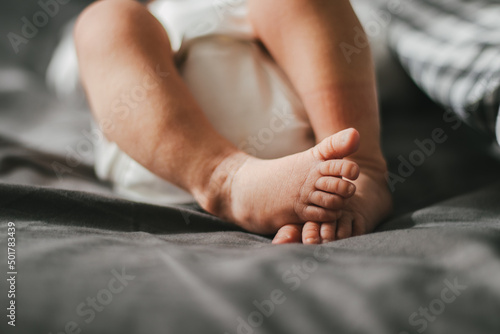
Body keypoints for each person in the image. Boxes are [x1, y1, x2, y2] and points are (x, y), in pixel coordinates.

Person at [74, 0, 392, 244]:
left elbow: (356, 46)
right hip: (164, 149)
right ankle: (223, 180)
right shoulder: (143, 13)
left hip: (314, 140)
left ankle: (360, 168)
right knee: (101, 20)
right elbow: (81, 74)